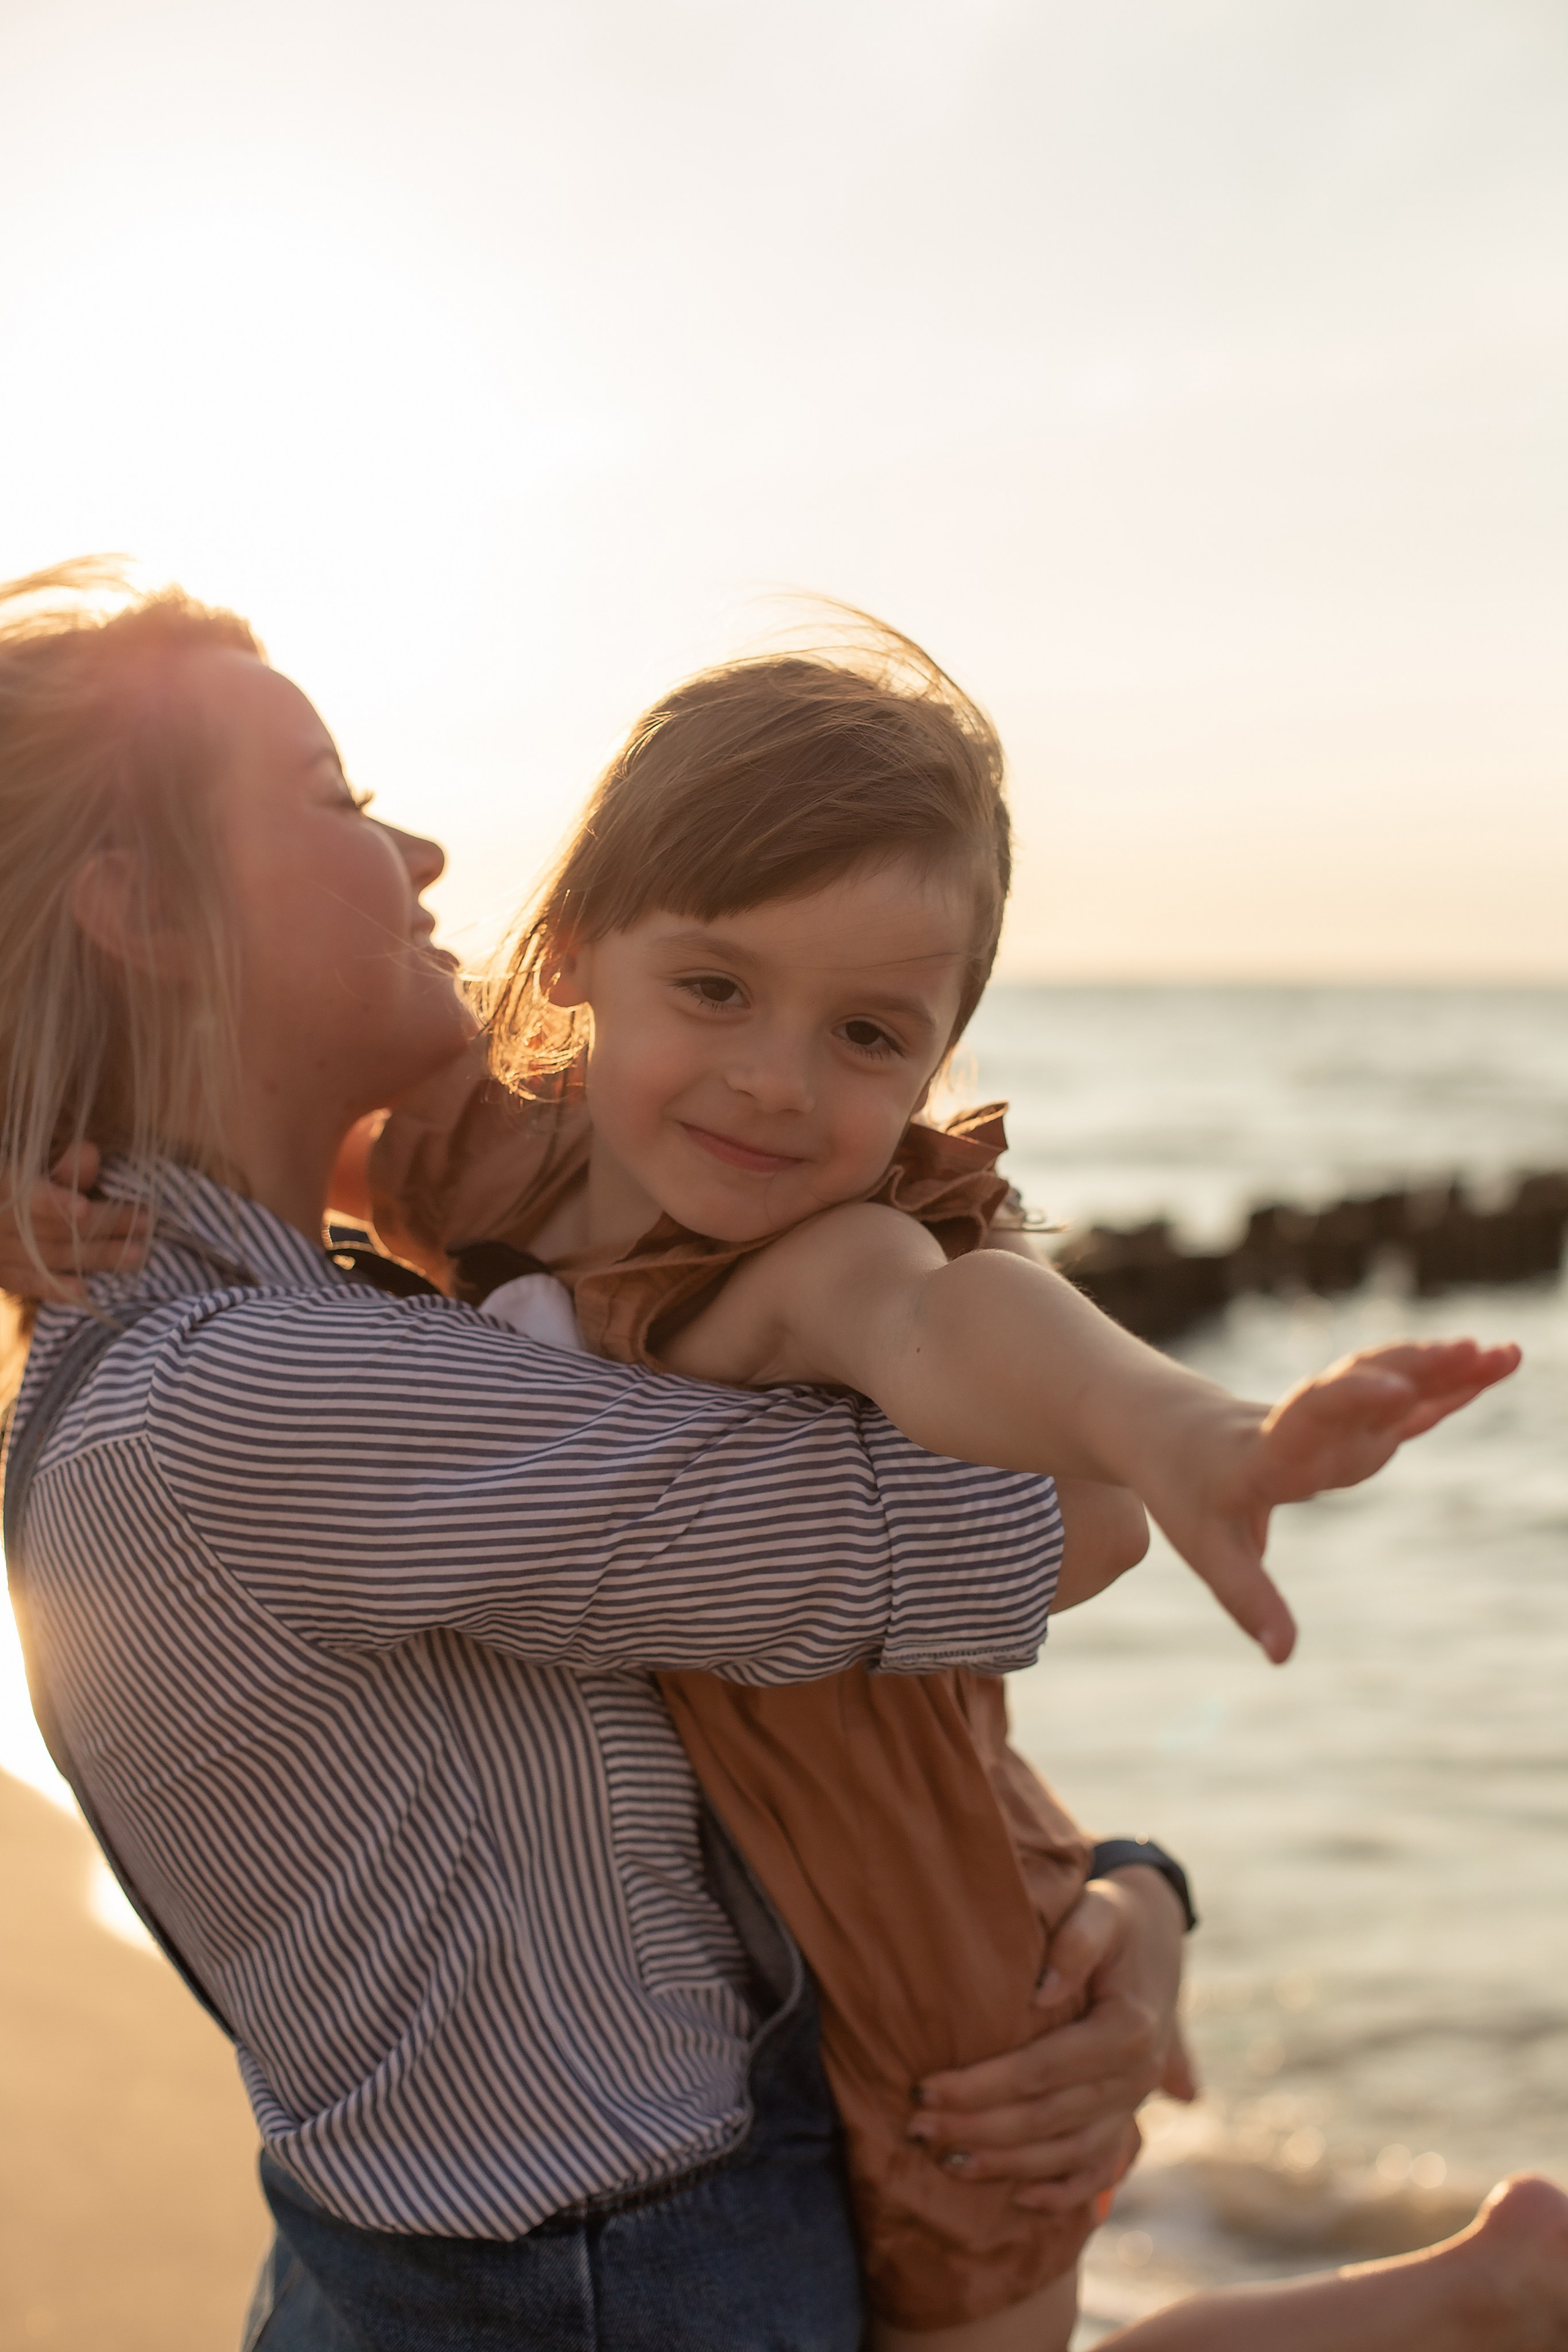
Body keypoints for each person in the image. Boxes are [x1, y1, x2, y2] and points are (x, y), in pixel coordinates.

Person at [4, 567, 1565, 2352]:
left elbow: (731, 1761)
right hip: (600, 2287)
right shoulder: (255, 1396)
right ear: (137, 907)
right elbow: (1039, 1522)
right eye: (336, 799)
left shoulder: (304, 1284)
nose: (424, 856)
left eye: (867, 1032)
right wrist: (1164, 1446)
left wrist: (1126, 1883)